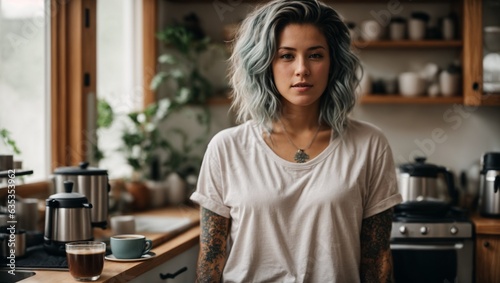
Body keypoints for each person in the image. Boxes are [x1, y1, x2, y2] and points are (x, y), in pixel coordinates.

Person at [190, 0, 402, 282]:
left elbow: (377, 259)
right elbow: (210, 260)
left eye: (315, 55)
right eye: (286, 56)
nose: (302, 69)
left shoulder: (369, 145)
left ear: (333, 63)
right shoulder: (226, 147)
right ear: (265, 62)